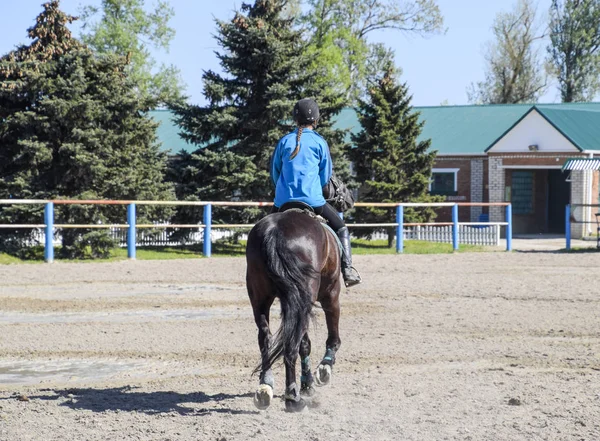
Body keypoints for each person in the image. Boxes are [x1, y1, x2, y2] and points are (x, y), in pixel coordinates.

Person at [270, 98, 362, 287]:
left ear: (295, 119)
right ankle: (348, 270)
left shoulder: (284, 141)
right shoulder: (320, 143)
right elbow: (325, 176)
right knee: (341, 227)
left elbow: (275, 173)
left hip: (282, 202)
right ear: (316, 119)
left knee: (265, 233)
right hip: (313, 201)